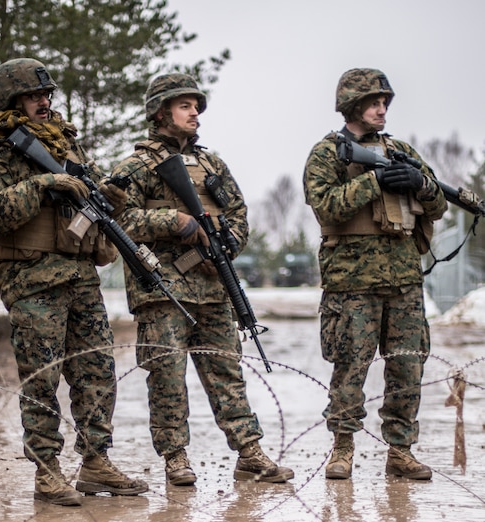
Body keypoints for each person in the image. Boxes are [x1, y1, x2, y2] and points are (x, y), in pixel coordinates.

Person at [0, 58, 149, 505]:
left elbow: (86, 201)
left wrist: (107, 196)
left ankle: (95, 463)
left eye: (46, 95)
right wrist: (45, 183)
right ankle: (47, 472)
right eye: (34, 96)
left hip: (80, 278)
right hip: (32, 283)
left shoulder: (68, 146)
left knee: (97, 372)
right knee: (42, 378)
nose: (44, 103)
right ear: (12, 100)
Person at [110, 73, 293, 486]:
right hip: (162, 290)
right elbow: (118, 220)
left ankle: (249, 451)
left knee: (227, 373)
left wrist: (225, 247)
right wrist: (173, 221)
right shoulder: (136, 166)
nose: (195, 114)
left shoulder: (212, 164)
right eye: (185, 106)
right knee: (168, 376)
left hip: (213, 288)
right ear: (161, 112)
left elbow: (240, 215)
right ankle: (176, 457)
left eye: (197, 107)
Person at [303, 68, 447, 480]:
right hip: (351, 283)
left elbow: (437, 206)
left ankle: (400, 451)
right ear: (353, 105)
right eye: (374, 102)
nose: (382, 109)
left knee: (407, 367)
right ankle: (343, 448)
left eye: (385, 102)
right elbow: (326, 206)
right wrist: (374, 180)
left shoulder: (400, 150)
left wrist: (420, 182)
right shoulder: (327, 153)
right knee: (350, 367)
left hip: (403, 279)